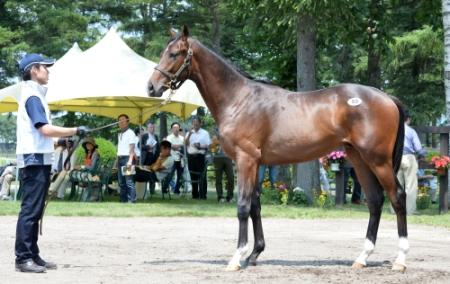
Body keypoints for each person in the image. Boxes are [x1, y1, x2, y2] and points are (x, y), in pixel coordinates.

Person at [15, 53, 89, 273]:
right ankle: (23, 258)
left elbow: (42, 134)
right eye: (45, 67)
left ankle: (32, 255)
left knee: (35, 209)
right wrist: (75, 130)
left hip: (39, 158)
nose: (48, 71)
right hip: (34, 160)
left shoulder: (35, 95)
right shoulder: (32, 96)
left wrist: (63, 139)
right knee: (30, 209)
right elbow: (44, 129)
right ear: (34, 70)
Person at [397, 111, 425, 215]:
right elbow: (418, 148)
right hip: (409, 157)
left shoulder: (394, 130)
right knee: (411, 185)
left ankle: (395, 210)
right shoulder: (411, 131)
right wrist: (423, 154)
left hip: (396, 158)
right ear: (408, 119)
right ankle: (410, 210)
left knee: (396, 185)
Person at [185, 116, 211, 199]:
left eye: (196, 123)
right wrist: (189, 134)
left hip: (200, 156)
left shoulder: (205, 133)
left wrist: (200, 146)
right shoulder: (189, 133)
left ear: (200, 123)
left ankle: (203, 195)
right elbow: (185, 144)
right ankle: (194, 195)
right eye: (193, 123)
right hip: (191, 157)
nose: (195, 124)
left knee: (202, 176)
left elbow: (208, 146)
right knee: (193, 175)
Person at [117, 114, 137, 203]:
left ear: (127, 121)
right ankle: (123, 200)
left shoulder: (131, 133)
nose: (120, 122)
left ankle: (131, 201)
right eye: (119, 120)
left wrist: (130, 161)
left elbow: (132, 148)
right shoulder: (120, 134)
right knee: (121, 182)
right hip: (120, 159)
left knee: (129, 181)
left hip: (127, 159)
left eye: (123, 120)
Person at [211, 129, 234, 202]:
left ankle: (230, 197)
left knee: (231, 178)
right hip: (218, 158)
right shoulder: (215, 134)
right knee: (218, 178)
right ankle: (220, 196)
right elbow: (212, 147)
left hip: (228, 158)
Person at [165, 122, 184, 194]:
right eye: (174, 127)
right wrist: (178, 146)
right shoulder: (169, 137)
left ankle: (176, 190)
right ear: (172, 129)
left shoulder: (182, 138)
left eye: (177, 127)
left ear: (179, 128)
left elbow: (183, 147)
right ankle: (164, 188)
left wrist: (177, 147)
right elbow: (171, 146)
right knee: (170, 175)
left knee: (180, 176)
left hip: (180, 159)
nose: (176, 129)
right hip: (172, 159)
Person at [141, 122, 159, 194]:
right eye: (151, 127)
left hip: (154, 157)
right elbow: (140, 146)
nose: (152, 129)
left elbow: (158, 147)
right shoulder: (144, 136)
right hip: (146, 157)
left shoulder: (156, 136)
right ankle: (144, 190)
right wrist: (148, 147)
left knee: (153, 173)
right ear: (148, 128)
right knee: (145, 172)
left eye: (153, 127)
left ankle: (152, 190)